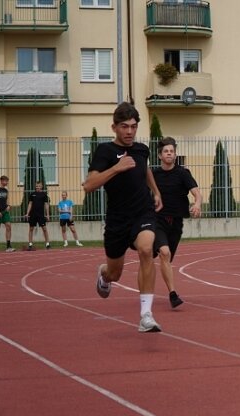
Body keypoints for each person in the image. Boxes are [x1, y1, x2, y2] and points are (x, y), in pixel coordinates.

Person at [83, 102, 164, 332]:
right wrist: (116, 168)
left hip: (143, 212)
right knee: (115, 273)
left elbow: (144, 169)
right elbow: (88, 185)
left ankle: (146, 315)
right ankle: (104, 275)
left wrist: (156, 191)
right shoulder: (105, 152)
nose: (129, 131)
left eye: (133, 126)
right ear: (114, 127)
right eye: (124, 126)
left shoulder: (141, 149)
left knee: (147, 250)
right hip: (118, 220)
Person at [152, 137, 203, 309]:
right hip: (157, 221)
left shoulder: (182, 173)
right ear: (160, 155)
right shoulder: (154, 175)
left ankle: (150, 249)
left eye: (172, 151)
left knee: (167, 257)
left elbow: (197, 194)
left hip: (176, 223)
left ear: (175, 154)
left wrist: (196, 204)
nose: (169, 154)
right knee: (164, 254)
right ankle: (173, 294)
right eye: (166, 151)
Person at [24, 181, 51, 250]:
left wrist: (47, 215)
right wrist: (27, 213)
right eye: (36, 186)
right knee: (31, 228)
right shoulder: (32, 194)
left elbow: (46, 205)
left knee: (44, 228)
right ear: (35, 186)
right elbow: (30, 204)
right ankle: (30, 244)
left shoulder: (44, 195)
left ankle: (47, 243)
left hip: (41, 214)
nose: (38, 187)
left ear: (41, 186)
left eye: (39, 186)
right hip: (33, 214)